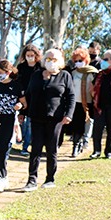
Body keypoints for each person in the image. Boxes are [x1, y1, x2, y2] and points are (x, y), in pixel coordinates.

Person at [23, 48, 75, 191]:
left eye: (54, 59)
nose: (51, 62)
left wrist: (68, 114)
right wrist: (22, 111)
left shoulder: (65, 76)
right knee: (36, 149)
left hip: (55, 119)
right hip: (36, 117)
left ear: (60, 62)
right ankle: (31, 180)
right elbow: (28, 94)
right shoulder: (36, 75)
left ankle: (50, 178)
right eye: (48, 59)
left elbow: (71, 96)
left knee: (52, 148)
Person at [0, 60, 26, 192]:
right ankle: (0, 175)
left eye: (0, 73)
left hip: (9, 120)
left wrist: (20, 107)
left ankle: (1, 177)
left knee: (3, 148)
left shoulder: (16, 86)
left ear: (8, 72)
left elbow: (24, 103)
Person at [68, 48, 97, 157]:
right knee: (76, 125)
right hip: (75, 102)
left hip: (88, 103)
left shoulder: (93, 72)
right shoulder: (73, 73)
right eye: (76, 61)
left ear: (86, 60)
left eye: (80, 60)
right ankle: (76, 145)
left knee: (87, 124)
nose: (78, 63)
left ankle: (83, 142)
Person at [16, 44, 43, 156]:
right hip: (23, 98)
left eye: (32, 55)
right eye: (28, 55)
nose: (30, 57)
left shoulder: (40, 67)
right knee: (22, 122)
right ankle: (20, 139)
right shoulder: (21, 67)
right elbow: (18, 83)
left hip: (36, 99)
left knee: (30, 125)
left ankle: (26, 146)